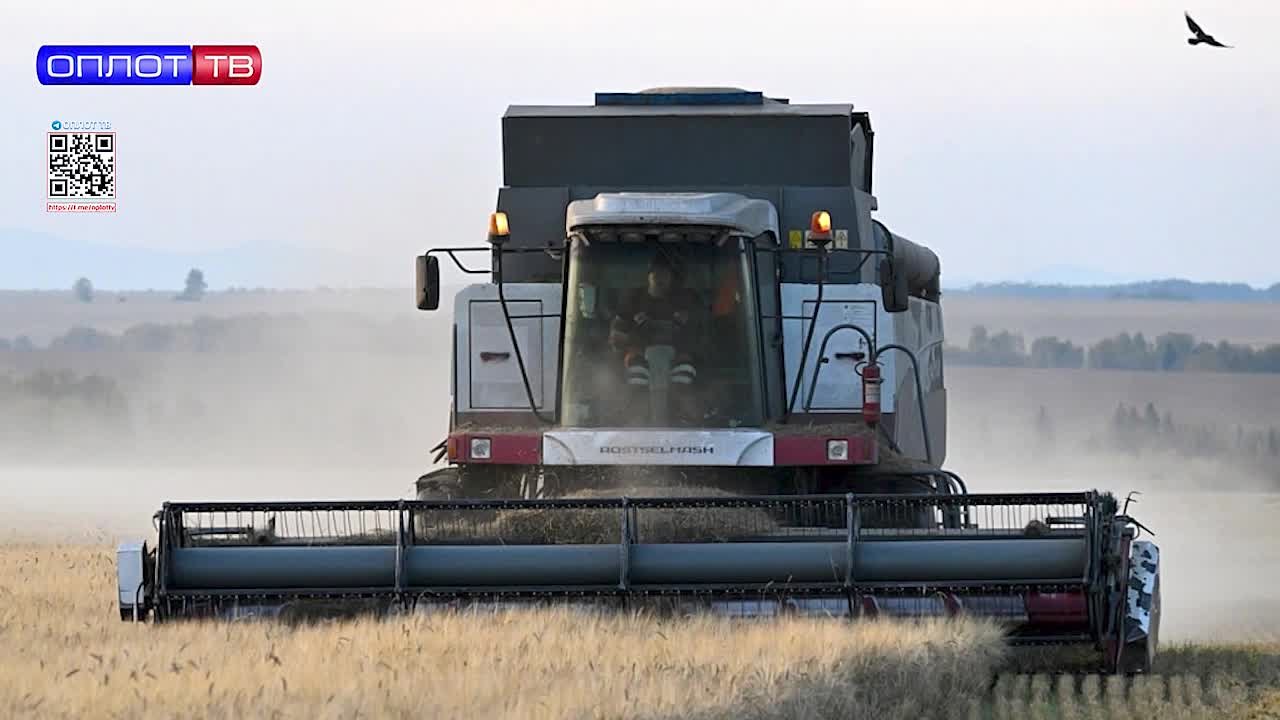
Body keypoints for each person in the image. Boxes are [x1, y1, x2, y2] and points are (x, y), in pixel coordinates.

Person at [609, 251, 701, 391]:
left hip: (679, 354)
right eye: (656, 273)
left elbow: (702, 331)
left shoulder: (687, 299)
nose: (660, 278)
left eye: (665, 274)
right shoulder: (633, 299)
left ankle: (682, 402)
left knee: (684, 372)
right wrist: (627, 338)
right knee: (636, 372)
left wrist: (685, 329)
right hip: (637, 353)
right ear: (649, 275)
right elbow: (616, 331)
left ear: (672, 277)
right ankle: (635, 401)